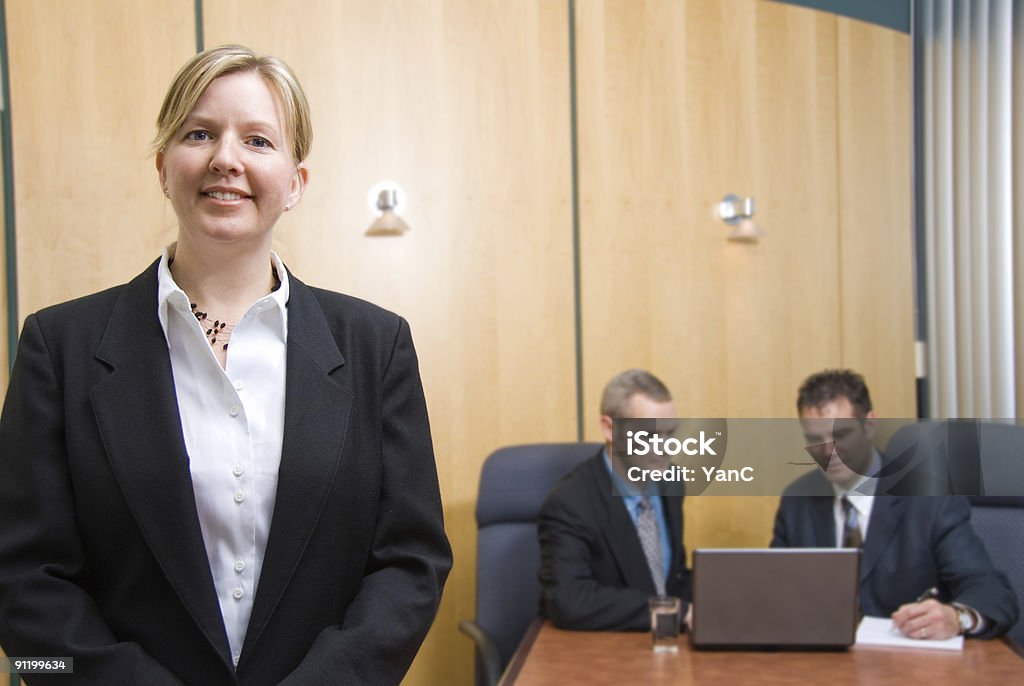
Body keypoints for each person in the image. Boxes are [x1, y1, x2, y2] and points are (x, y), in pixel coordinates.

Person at [0, 45, 451, 685]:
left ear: (296, 182)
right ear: (163, 166)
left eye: (259, 141)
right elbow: (22, 580)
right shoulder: (58, 346)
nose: (226, 159)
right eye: (200, 133)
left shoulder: (377, 347)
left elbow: (411, 562)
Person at [771, 369, 1018, 640]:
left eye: (840, 434)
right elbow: (774, 591)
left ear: (869, 426)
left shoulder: (929, 500)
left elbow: (991, 592)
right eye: (814, 440)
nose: (828, 452)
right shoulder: (798, 499)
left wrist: (956, 617)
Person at [538, 369, 691, 631]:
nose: (667, 447)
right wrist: (674, 611)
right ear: (609, 428)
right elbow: (571, 600)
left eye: (670, 433)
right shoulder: (570, 503)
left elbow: (669, 578)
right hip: (600, 652)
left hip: (665, 647)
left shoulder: (671, 482)